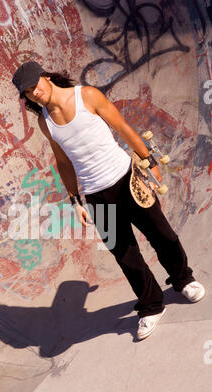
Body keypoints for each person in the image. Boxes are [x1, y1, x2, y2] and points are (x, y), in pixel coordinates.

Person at [12, 61, 205, 340]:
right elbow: (63, 162)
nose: (34, 93)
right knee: (124, 254)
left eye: (35, 85)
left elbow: (123, 127)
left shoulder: (87, 96)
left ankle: (183, 279)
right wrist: (74, 200)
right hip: (96, 195)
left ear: (45, 77)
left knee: (161, 233)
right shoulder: (46, 122)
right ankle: (151, 305)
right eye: (28, 92)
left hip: (125, 177)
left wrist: (149, 161)